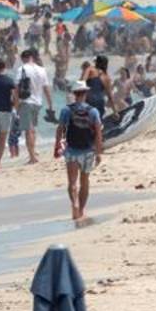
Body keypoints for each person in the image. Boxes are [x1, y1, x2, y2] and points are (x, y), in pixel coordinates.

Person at [54, 81, 104, 221]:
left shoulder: (66, 110)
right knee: (85, 181)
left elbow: (60, 129)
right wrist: (99, 152)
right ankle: (81, 210)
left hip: (71, 151)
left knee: (72, 182)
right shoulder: (93, 111)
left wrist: (58, 144)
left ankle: (74, 204)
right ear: (86, 93)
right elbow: (98, 133)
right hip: (88, 151)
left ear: (75, 94)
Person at [15, 48, 54, 164]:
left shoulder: (22, 69)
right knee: (33, 129)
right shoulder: (42, 70)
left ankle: (32, 157)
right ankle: (33, 151)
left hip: (26, 101)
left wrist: (15, 104)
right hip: (38, 102)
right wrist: (50, 103)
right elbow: (46, 88)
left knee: (28, 130)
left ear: (25, 58)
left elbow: (16, 88)